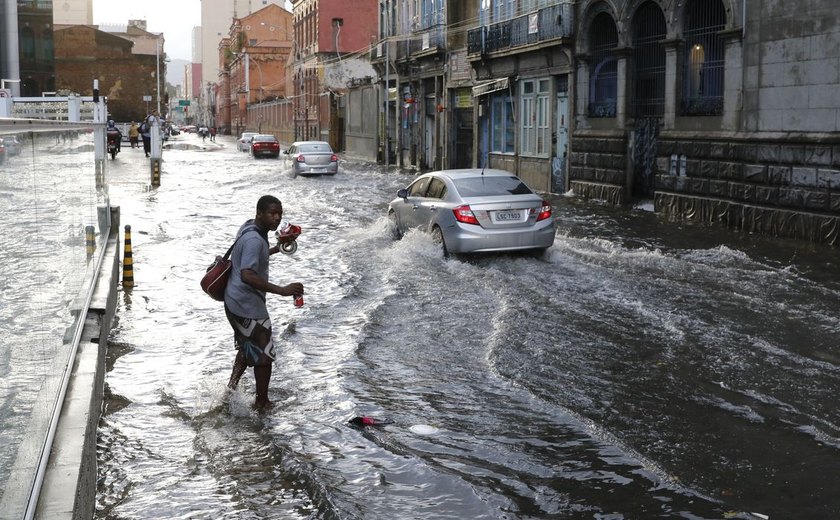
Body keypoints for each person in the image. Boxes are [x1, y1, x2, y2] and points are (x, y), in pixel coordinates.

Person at [224, 195, 304, 410]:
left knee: (247, 345)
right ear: (259, 213)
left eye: (280, 214)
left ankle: (230, 389)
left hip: (233, 301)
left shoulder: (250, 228)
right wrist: (283, 290)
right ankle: (262, 402)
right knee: (264, 352)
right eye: (272, 214)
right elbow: (247, 274)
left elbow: (254, 256)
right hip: (246, 304)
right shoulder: (254, 239)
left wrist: (279, 247)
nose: (277, 218)